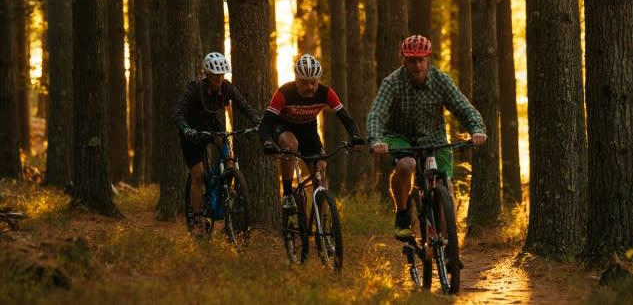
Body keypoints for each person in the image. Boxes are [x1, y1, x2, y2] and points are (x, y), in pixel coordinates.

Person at [367, 35, 487, 240]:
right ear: (403, 60)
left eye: (421, 59)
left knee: (444, 187)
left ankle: (448, 247)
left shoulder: (441, 80)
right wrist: (376, 140)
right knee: (406, 165)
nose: (417, 65)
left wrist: (477, 129)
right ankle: (403, 214)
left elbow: (463, 107)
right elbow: (377, 113)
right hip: (400, 137)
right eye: (412, 60)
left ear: (428, 59)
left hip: (434, 138)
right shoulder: (392, 83)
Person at [259, 54, 364, 211]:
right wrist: (267, 142)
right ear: (296, 79)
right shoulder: (284, 92)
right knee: (291, 144)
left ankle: (324, 228)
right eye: (304, 82)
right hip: (283, 127)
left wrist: (355, 136)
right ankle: (287, 194)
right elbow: (266, 123)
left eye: (313, 83)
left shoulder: (326, 93)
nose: (310, 87)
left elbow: (346, 119)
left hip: (308, 131)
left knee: (321, 171)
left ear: (319, 80)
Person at [174, 52, 261, 237]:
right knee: (197, 175)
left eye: (222, 75)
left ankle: (226, 188)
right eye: (215, 75)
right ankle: (197, 220)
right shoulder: (195, 88)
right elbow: (178, 113)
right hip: (192, 132)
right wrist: (186, 129)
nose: (218, 79)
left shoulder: (226, 87)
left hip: (212, 126)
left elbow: (243, 105)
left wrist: (256, 120)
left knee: (227, 153)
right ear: (206, 73)